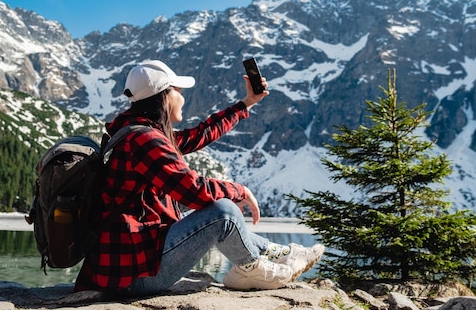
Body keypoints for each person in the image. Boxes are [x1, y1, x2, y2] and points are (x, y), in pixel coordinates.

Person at [75, 60, 324, 296]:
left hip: (128, 265)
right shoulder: (144, 140)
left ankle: (275, 253)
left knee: (213, 208)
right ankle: (250, 269)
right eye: (178, 91)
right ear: (165, 95)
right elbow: (195, 192)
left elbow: (199, 135)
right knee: (223, 212)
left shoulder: (137, 131)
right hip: (132, 275)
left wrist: (247, 103)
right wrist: (240, 190)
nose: (183, 97)